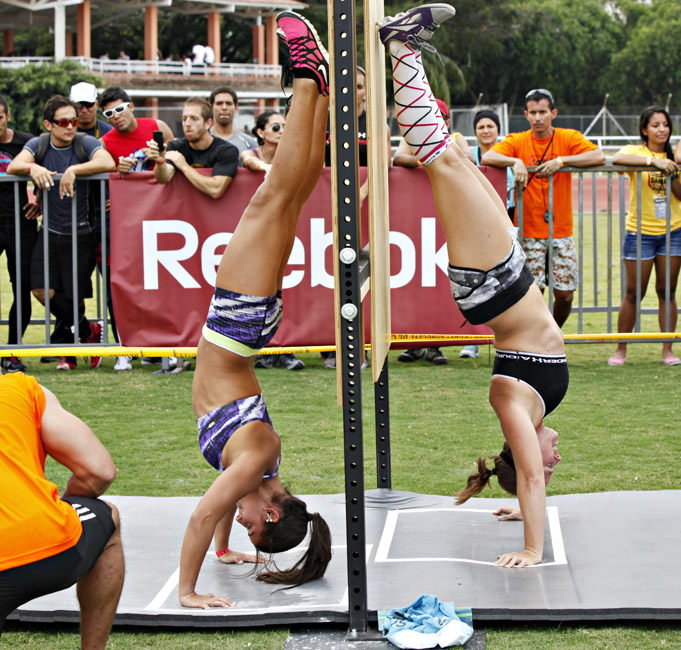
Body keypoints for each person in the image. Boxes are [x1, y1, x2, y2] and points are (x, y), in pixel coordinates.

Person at [378, 4, 567, 568]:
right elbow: (530, 477)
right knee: (458, 154)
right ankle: (406, 65)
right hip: (510, 277)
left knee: (447, 163)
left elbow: (531, 474)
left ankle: (401, 49)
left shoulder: (513, 405)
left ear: (520, 448)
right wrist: (517, 505)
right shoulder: (538, 410)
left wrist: (532, 547)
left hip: (492, 287)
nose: (557, 459)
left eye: (549, 460)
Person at [179, 11, 332, 609]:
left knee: (290, 197)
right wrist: (190, 591)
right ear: (271, 509)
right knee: (275, 195)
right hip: (236, 326)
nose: (240, 523)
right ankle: (306, 79)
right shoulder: (252, 471)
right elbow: (206, 513)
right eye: (251, 527)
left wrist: (225, 551)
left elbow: (225, 500)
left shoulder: (259, 468)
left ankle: (318, 88)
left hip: (244, 334)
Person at [0, 371, 124, 646]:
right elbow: (99, 471)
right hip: (37, 542)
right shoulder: (20, 389)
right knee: (108, 516)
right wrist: (59, 507)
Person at [7, 96, 116, 372]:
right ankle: (87, 329)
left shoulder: (84, 142)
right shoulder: (39, 144)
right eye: (63, 122)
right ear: (48, 124)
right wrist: (34, 167)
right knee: (42, 290)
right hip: (49, 232)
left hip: (81, 233)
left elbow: (108, 162)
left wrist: (73, 170)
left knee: (73, 294)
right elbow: (13, 166)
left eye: (74, 121)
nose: (70, 127)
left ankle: (70, 352)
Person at [483, 88, 605, 327]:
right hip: (529, 231)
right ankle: (536, 338)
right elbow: (489, 157)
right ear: (526, 115)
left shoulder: (568, 138)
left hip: (561, 230)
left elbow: (598, 156)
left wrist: (562, 161)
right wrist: (514, 161)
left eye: (542, 112)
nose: (538, 117)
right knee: (531, 293)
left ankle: (553, 331)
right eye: (533, 112)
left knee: (565, 293)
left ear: (553, 113)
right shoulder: (518, 141)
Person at [393, 97, 472, 366]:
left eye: (436, 116)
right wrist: (426, 161)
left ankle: (436, 344)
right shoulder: (411, 137)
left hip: (448, 217)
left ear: (446, 121)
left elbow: (468, 158)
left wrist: (430, 157)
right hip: (417, 220)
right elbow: (399, 157)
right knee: (418, 282)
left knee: (443, 281)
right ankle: (416, 344)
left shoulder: (456, 138)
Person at [608, 106, 681, 367]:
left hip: (672, 231)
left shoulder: (676, 156)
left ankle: (668, 350)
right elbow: (616, 159)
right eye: (655, 125)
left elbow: (680, 195)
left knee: (667, 291)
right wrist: (654, 162)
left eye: (665, 125)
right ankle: (621, 350)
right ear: (644, 129)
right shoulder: (636, 152)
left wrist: (671, 169)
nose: (662, 130)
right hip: (639, 232)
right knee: (633, 293)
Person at [240, 110, 305, 371]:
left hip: (289, 228)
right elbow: (246, 158)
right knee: (261, 289)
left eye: (285, 126)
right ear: (260, 133)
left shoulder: (294, 155)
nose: (281, 131)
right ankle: (262, 348)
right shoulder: (254, 155)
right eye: (276, 126)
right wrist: (263, 167)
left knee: (281, 290)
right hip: (258, 232)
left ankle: (283, 349)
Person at [0, 94, 37, 373]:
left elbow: (48, 171)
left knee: (21, 288)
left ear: (8, 116)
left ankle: (12, 351)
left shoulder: (25, 142)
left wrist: (38, 201)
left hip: (19, 223)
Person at [149, 96, 238, 199]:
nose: (187, 124)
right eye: (184, 119)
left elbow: (215, 190)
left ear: (208, 123)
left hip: (215, 213)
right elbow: (163, 178)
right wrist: (160, 162)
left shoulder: (226, 150)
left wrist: (184, 166)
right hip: (183, 212)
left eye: (194, 119)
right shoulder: (175, 146)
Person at [100, 86, 174, 174]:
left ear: (131, 107)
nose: (116, 116)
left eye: (119, 109)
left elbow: (176, 158)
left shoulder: (158, 127)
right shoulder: (104, 143)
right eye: (109, 113)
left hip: (160, 187)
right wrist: (118, 171)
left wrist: (159, 155)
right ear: (106, 118)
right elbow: (103, 181)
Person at [209, 86, 257, 165]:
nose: (224, 107)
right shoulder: (202, 140)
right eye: (219, 103)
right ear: (211, 107)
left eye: (228, 103)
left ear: (236, 107)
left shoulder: (249, 142)